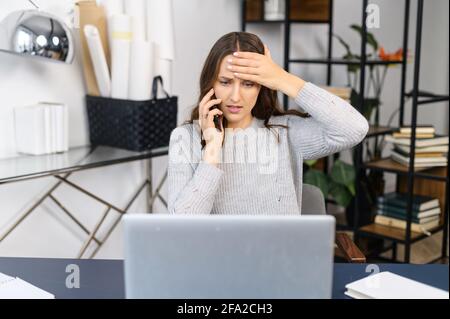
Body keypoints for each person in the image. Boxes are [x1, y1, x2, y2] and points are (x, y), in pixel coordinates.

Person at [167, 31, 368, 215]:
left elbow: (354, 129)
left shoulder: (285, 132)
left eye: (248, 83)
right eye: (225, 82)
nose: (235, 97)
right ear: (210, 83)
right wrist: (212, 151)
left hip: (281, 253)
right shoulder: (185, 138)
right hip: (223, 254)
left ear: (262, 87)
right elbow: (181, 226)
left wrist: (283, 79)